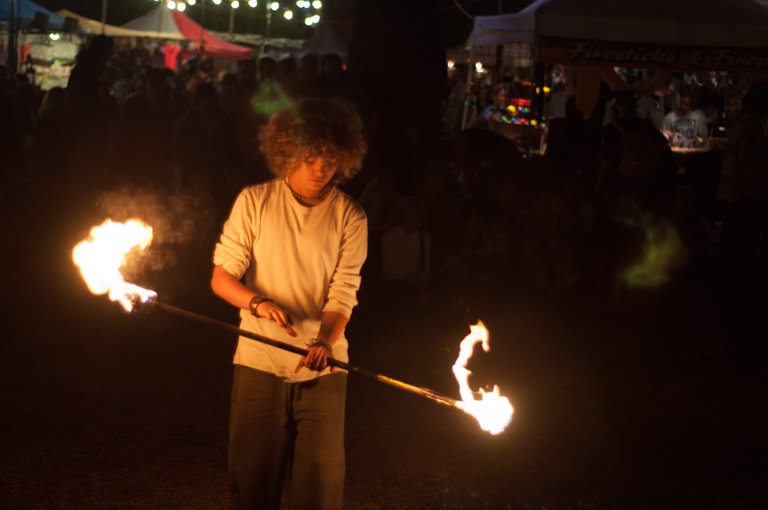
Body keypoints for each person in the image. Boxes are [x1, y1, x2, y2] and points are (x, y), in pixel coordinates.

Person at [211, 97, 368, 510]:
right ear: (289, 151)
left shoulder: (351, 217)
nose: (321, 169)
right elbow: (222, 278)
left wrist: (325, 342)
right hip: (259, 359)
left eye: (331, 160)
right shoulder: (254, 201)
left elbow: (343, 293)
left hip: (324, 367)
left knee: (320, 489)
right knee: (251, 484)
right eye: (312, 157)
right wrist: (257, 302)